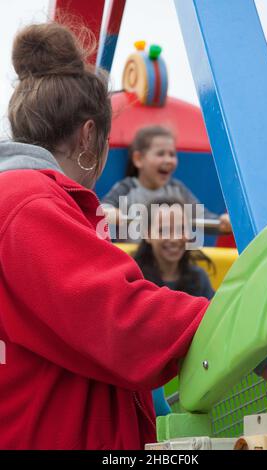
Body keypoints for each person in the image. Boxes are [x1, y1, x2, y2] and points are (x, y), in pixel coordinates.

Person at [0, 21, 211, 451]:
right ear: (89, 135)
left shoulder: (21, 198)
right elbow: (120, 318)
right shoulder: (29, 203)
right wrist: (225, 318)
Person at [134, 197, 215, 416]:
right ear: (147, 235)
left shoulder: (198, 278)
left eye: (180, 229)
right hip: (151, 377)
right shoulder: (136, 276)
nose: (173, 238)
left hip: (192, 371)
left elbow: (215, 322)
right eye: (163, 230)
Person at [102, 125, 232, 240]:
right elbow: (102, 210)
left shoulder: (177, 190)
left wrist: (223, 223)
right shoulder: (127, 188)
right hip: (136, 261)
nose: (168, 160)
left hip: (168, 260)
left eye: (172, 154)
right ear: (138, 159)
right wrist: (112, 213)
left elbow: (204, 218)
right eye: (160, 154)